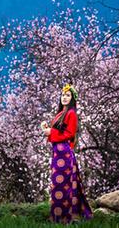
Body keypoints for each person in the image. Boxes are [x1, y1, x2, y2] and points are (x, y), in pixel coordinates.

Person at [41, 83, 93, 224]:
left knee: (62, 185)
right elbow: (58, 131)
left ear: (73, 98)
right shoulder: (60, 113)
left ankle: (64, 217)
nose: (64, 97)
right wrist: (49, 129)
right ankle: (57, 216)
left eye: (68, 95)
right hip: (57, 152)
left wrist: (51, 132)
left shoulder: (71, 114)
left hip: (64, 152)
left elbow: (69, 134)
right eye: (63, 95)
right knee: (56, 184)